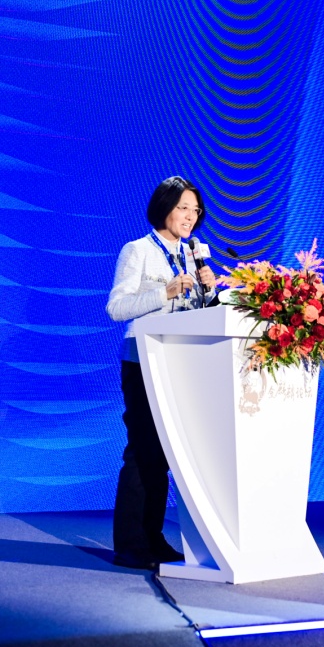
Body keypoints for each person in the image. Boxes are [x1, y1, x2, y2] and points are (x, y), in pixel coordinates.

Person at [106, 176, 217, 569]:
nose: (190, 217)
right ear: (164, 207)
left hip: (182, 362)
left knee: (165, 456)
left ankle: (152, 538)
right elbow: (116, 308)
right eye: (183, 208)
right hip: (143, 361)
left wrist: (211, 291)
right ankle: (130, 544)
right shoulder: (137, 250)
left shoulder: (194, 255)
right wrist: (164, 292)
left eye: (195, 211)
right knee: (142, 451)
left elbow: (204, 315)